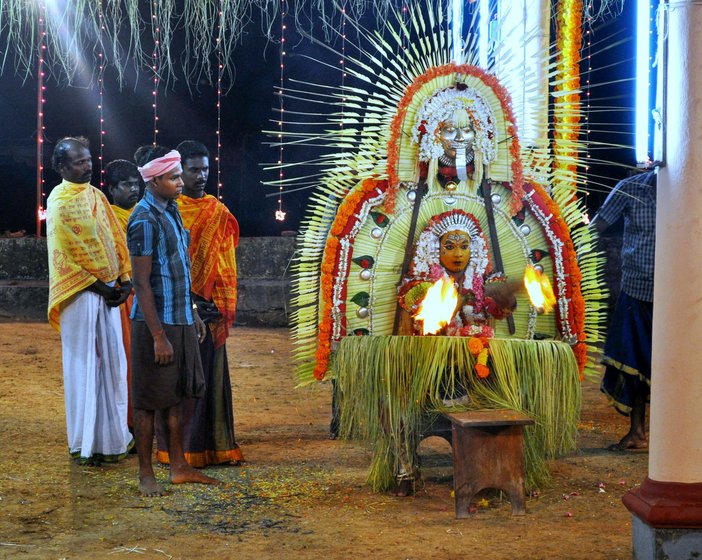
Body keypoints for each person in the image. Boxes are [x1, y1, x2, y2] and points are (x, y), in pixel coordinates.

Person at [127, 145, 219, 496]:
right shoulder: (143, 219)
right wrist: (157, 336)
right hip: (157, 324)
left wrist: (192, 312)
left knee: (178, 395)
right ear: (153, 181)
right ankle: (146, 474)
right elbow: (141, 283)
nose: (181, 182)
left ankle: (179, 466)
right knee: (149, 400)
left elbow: (178, 271)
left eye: (180, 175)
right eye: (173, 177)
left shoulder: (172, 210)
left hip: (179, 317)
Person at [153, 139, 244, 467]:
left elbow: (226, 261)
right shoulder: (164, 209)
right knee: (178, 381)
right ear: (179, 172)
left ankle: (213, 447)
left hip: (209, 307)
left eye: (205, 169)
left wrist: (217, 302)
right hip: (175, 307)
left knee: (209, 378)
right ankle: (178, 451)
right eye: (193, 170)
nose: (201, 176)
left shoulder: (218, 211)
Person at [46, 136, 133, 465]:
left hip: (110, 294)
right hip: (81, 297)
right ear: (61, 167)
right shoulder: (58, 202)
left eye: (88, 159)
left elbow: (115, 239)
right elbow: (64, 256)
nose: (88, 165)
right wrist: (101, 287)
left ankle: (113, 441)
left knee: (113, 365)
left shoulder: (97, 196)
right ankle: (85, 443)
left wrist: (123, 282)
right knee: (86, 366)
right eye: (79, 161)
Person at [592, 169, 656, 451]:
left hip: (684, 294)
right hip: (638, 291)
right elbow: (596, 228)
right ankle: (638, 432)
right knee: (633, 364)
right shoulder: (631, 188)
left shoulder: (689, 189)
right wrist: (566, 255)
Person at [106, 159, 143, 431]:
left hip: (147, 295)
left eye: (136, 184)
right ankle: (126, 424)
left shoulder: (145, 213)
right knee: (125, 361)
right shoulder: (107, 217)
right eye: (126, 185)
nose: (134, 190)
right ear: (112, 189)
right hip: (123, 297)